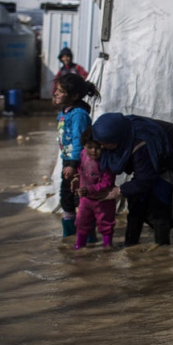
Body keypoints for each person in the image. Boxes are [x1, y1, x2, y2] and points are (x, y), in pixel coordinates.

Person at [93, 113, 173, 246]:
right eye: (99, 143)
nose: (101, 147)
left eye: (105, 143)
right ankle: (130, 246)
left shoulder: (141, 144)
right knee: (136, 204)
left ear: (116, 139)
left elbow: (145, 180)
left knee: (160, 205)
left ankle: (162, 251)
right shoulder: (122, 132)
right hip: (150, 162)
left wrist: (119, 190)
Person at [53, 73, 100, 238]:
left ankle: (87, 237)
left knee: (81, 198)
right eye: (57, 90)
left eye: (60, 91)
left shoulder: (78, 114)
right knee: (66, 197)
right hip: (69, 161)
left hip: (81, 163)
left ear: (73, 96)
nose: (56, 93)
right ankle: (70, 235)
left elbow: (78, 140)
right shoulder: (64, 112)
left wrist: (73, 165)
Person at [70, 129, 117, 249]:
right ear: (84, 146)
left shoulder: (106, 160)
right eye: (90, 147)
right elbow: (81, 170)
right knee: (81, 223)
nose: (94, 151)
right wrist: (76, 179)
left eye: (97, 148)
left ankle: (107, 247)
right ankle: (79, 247)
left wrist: (89, 189)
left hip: (103, 199)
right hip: (85, 200)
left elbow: (107, 182)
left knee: (106, 224)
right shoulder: (82, 154)